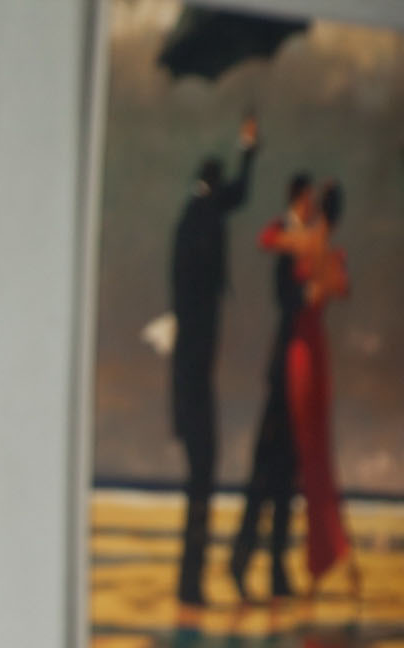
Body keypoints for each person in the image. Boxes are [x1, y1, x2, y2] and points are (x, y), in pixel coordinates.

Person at [166, 120, 257, 605]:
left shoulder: (192, 218)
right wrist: (249, 150)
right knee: (202, 471)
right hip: (194, 371)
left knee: (200, 475)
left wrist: (247, 148)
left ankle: (191, 583)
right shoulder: (203, 221)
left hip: (190, 372)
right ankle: (191, 584)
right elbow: (238, 196)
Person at [231, 173, 315, 600]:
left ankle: (276, 571)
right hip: (284, 369)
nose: (311, 208)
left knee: (285, 475)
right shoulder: (286, 235)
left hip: (297, 369)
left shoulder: (305, 240)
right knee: (267, 471)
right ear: (298, 199)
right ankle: (242, 560)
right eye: (307, 201)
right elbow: (286, 291)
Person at [283, 179, 353, 587]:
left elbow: (318, 292)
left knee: (311, 453)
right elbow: (339, 288)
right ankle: (325, 553)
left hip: (304, 351)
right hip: (313, 349)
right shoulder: (326, 248)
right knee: (316, 453)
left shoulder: (310, 243)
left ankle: (322, 556)